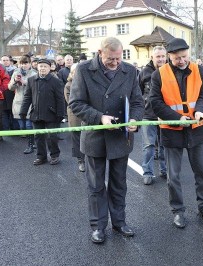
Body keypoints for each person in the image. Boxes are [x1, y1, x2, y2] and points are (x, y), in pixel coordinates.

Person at [69, 37, 144, 243]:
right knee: (96, 186)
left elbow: (138, 101)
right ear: (100, 52)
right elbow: (76, 103)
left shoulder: (129, 71)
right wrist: (99, 117)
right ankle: (98, 226)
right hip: (95, 137)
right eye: (111, 59)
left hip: (121, 137)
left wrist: (135, 119)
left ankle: (119, 222)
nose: (115, 63)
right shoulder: (84, 70)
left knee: (119, 183)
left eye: (118, 59)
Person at [149, 37, 203, 228]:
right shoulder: (159, 75)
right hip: (172, 130)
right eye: (177, 58)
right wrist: (178, 118)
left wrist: (200, 111)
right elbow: (156, 102)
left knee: (202, 172)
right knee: (174, 176)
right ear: (169, 56)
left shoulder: (198, 69)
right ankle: (178, 211)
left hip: (196, 129)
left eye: (185, 56)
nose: (182, 61)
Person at [20, 58, 65, 165]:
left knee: (52, 137)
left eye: (45, 66)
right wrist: (23, 111)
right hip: (36, 113)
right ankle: (41, 156)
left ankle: (54, 155)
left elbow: (60, 99)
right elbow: (27, 97)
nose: (43, 68)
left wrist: (60, 114)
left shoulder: (56, 81)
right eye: (41, 66)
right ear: (37, 67)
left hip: (52, 114)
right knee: (38, 137)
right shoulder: (31, 80)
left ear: (50, 68)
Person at [139, 46, 167, 185]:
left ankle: (165, 170)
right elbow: (137, 94)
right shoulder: (144, 73)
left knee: (164, 144)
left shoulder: (169, 71)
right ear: (152, 57)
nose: (161, 59)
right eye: (158, 56)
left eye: (163, 56)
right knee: (149, 145)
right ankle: (147, 172)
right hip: (148, 115)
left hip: (166, 114)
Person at [8, 55, 37, 153]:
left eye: (26, 63)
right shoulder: (16, 73)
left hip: (30, 102)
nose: (23, 65)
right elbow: (10, 87)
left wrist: (25, 82)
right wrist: (15, 81)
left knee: (29, 124)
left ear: (30, 64)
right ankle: (31, 141)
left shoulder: (33, 73)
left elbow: (36, 88)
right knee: (22, 125)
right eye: (22, 63)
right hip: (18, 101)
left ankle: (31, 144)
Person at [63, 63, 85, 172]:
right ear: (71, 73)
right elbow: (71, 102)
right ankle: (80, 160)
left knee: (88, 138)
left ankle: (88, 159)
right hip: (75, 116)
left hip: (87, 116)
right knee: (77, 139)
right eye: (74, 71)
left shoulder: (86, 82)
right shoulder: (68, 85)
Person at [0, 55, 19, 131]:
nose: (5, 62)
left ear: (10, 61)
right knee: (3, 113)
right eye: (3, 60)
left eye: (7, 60)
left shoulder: (16, 70)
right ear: (0, 61)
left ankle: (15, 129)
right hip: (1, 94)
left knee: (13, 112)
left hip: (13, 94)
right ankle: (5, 129)